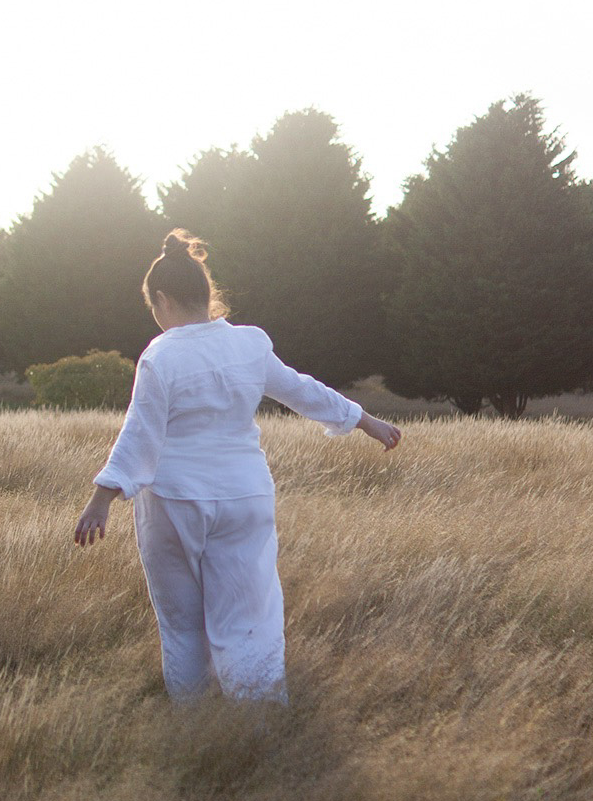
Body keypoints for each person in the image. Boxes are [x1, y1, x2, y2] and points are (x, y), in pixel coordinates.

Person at [73, 229, 401, 704]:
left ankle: (197, 726)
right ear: (206, 294)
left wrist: (101, 499)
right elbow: (301, 389)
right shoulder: (250, 344)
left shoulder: (160, 356)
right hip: (245, 499)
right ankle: (260, 723)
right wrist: (364, 419)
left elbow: (140, 432)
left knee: (183, 625)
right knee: (249, 621)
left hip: (175, 503)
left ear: (162, 300)